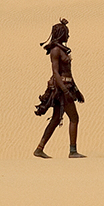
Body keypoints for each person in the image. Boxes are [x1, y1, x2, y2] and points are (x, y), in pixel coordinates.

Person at [33, 18, 86, 159]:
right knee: (74, 118)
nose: (68, 36)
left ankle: (39, 148)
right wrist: (66, 91)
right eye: (66, 33)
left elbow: (69, 73)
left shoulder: (62, 50)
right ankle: (73, 151)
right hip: (60, 89)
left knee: (56, 119)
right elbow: (56, 73)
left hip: (66, 87)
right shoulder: (55, 51)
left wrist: (77, 90)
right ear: (60, 34)